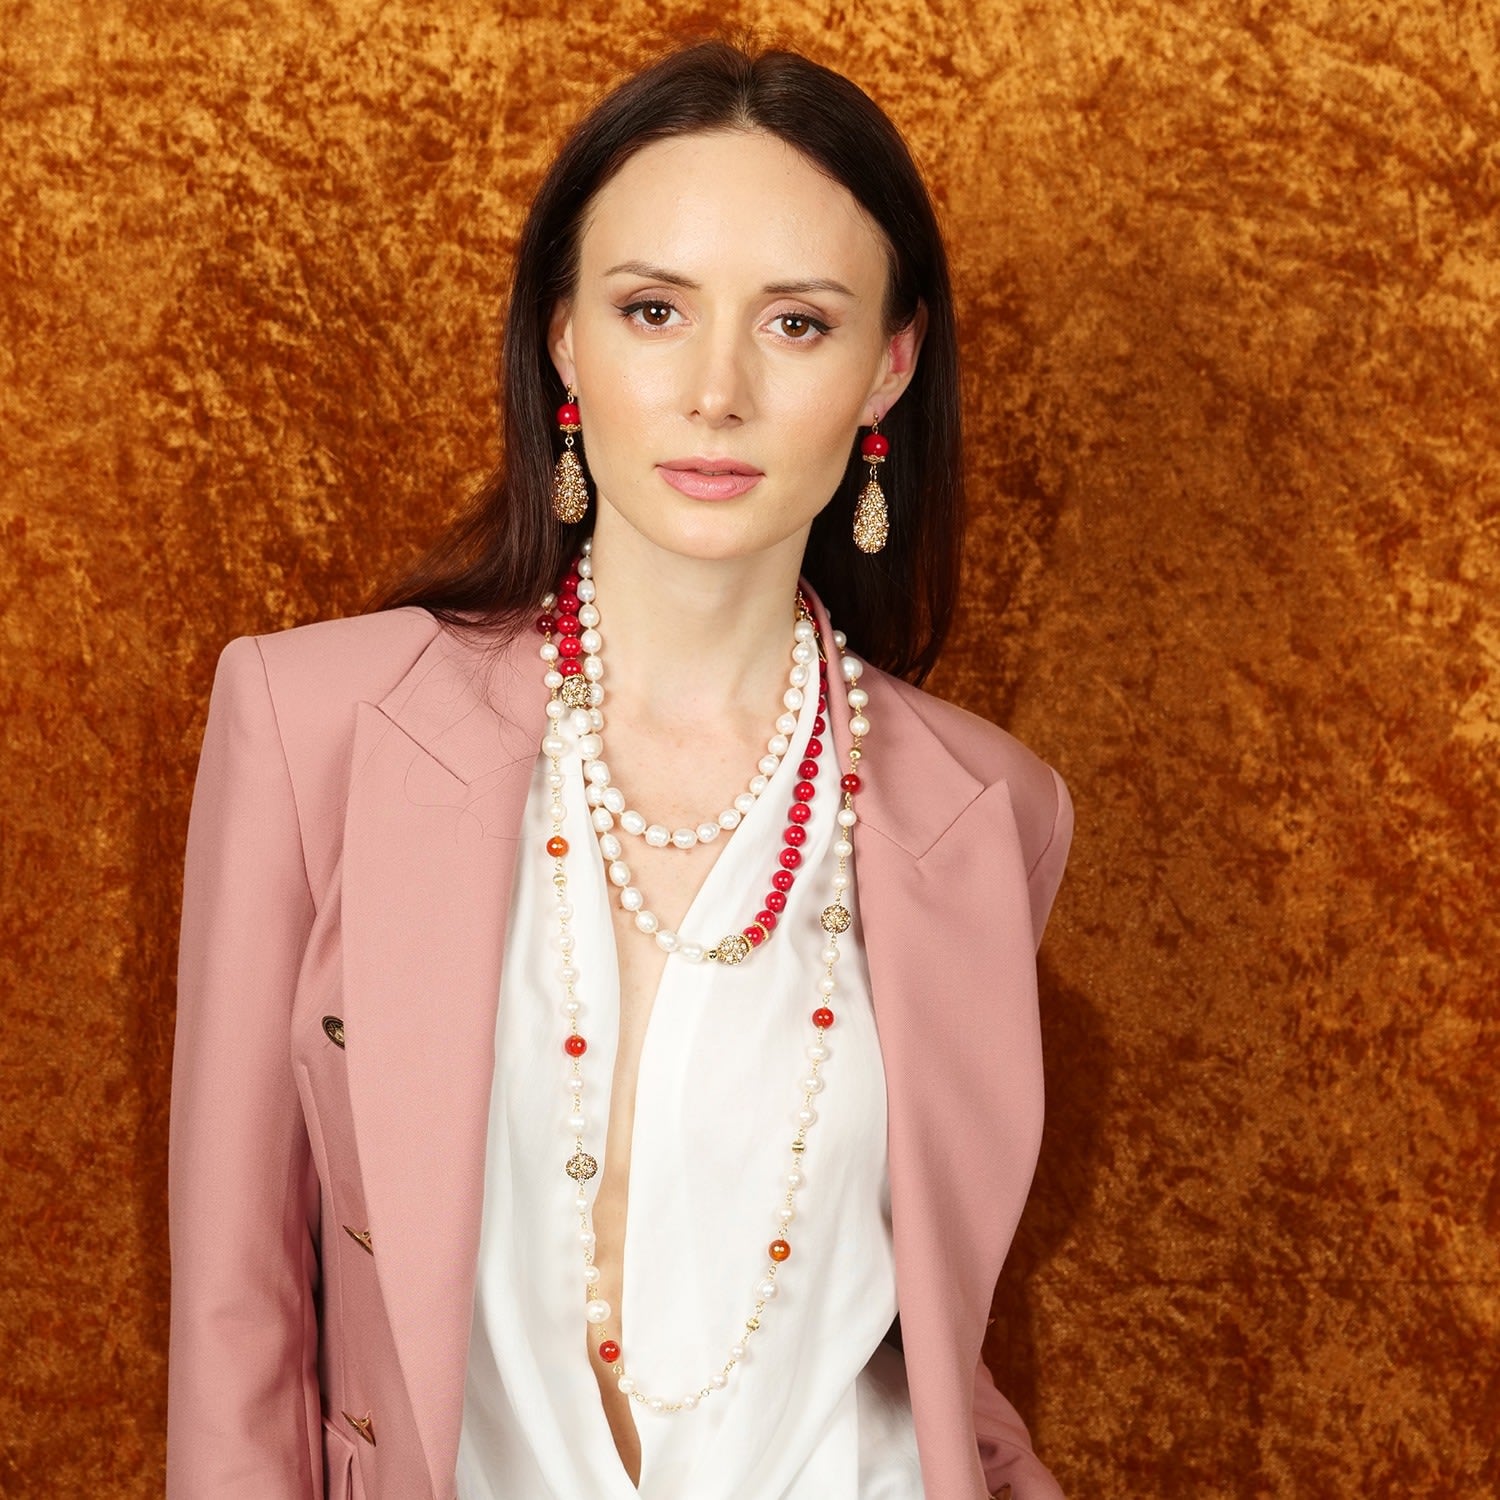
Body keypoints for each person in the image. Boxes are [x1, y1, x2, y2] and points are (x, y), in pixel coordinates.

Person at [167, 39, 1072, 1500]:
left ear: (887, 364)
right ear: (564, 339)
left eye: (796, 323)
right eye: (655, 308)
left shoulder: (987, 817)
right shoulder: (308, 724)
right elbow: (234, 1327)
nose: (716, 390)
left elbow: (935, 1350)